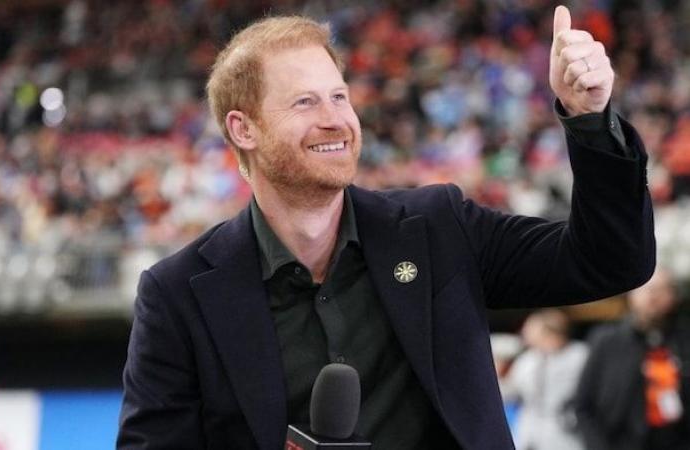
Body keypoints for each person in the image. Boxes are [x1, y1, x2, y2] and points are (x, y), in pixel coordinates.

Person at [117, 5, 655, 449]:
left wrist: (590, 120)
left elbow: (610, 260)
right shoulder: (177, 295)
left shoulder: (438, 227)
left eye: (339, 96)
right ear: (244, 128)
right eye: (305, 102)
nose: (335, 119)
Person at [575, 268, 690, 450]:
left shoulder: (683, 341)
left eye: (661, 290)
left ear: (674, 296)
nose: (652, 298)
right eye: (646, 289)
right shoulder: (607, 341)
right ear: (631, 295)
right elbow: (582, 405)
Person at [503, 309, 588, 450]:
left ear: (549, 332)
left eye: (531, 328)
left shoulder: (580, 356)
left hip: (567, 435)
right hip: (530, 436)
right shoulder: (527, 360)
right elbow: (511, 391)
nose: (525, 333)